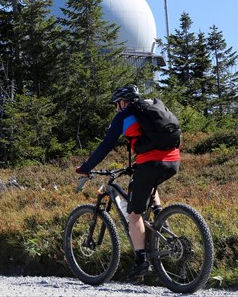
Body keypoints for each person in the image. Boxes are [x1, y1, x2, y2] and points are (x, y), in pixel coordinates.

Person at [75, 85, 181, 281]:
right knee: (149, 183)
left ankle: (141, 262)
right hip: (173, 160)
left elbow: (106, 145)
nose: (116, 109)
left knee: (134, 215)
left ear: (123, 102)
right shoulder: (153, 106)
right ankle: (159, 215)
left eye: (116, 104)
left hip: (150, 162)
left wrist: (86, 167)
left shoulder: (124, 115)